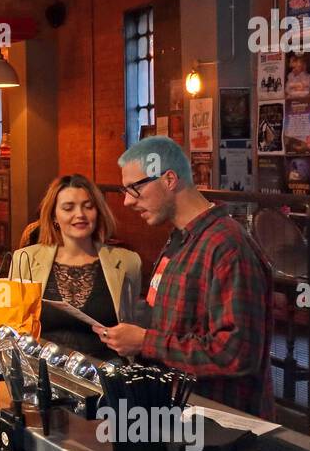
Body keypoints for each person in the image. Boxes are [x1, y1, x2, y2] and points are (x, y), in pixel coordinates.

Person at [97, 136, 274, 418]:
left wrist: (145, 341)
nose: (128, 201)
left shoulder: (227, 246)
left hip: (218, 424)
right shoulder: (181, 238)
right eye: (124, 190)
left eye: (135, 188)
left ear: (169, 179)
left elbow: (236, 354)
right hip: (177, 411)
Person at [10, 175, 141, 361]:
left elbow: (133, 326)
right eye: (68, 208)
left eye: (88, 206)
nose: (80, 214)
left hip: (106, 374)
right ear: (54, 215)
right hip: (43, 372)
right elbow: (14, 325)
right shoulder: (25, 259)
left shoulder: (128, 262)